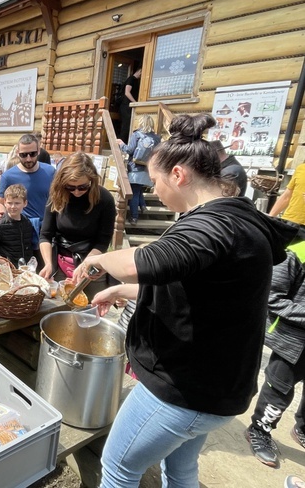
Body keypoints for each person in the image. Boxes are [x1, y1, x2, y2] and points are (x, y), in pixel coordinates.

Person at [71, 113, 298, 488]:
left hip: (185, 389)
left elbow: (145, 261)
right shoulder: (236, 216)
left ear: (178, 174)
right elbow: (195, 290)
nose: (155, 190)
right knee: (179, 470)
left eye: (156, 181)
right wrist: (121, 291)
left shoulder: (213, 226)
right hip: (218, 387)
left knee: (117, 467)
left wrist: (98, 261)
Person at [245, 247, 305, 469]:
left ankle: (301, 428)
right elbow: (272, 298)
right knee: (279, 389)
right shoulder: (297, 253)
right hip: (294, 341)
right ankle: (259, 430)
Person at [39, 152, 116, 281]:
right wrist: (48, 264)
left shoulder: (105, 199)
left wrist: (86, 265)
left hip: (92, 259)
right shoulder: (57, 196)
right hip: (60, 259)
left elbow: (103, 241)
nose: (76, 192)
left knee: (93, 300)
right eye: (70, 187)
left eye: (83, 187)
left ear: (92, 181)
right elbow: (45, 235)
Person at [0, 134, 56, 265]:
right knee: (20, 271)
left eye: (32, 154)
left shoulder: (50, 172)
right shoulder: (8, 176)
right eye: (23, 155)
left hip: (45, 231)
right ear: (17, 153)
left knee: (44, 271)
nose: (28, 158)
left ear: (39, 151)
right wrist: (3, 214)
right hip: (18, 233)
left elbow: (58, 200)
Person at [118, 114, 162, 224]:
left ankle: (134, 217)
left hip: (135, 168)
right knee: (138, 189)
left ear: (141, 123)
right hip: (147, 169)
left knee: (134, 192)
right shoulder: (156, 138)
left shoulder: (137, 134)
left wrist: (121, 144)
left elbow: (129, 150)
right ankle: (142, 206)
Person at [0, 184, 35, 268]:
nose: (13, 206)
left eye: (17, 203)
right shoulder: (0, 224)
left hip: (24, 267)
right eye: (10, 203)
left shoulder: (27, 222)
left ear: (25, 203)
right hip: (6, 268)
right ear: (5, 202)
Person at [119, 67, 142, 143]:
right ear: (140, 71)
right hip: (126, 106)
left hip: (129, 106)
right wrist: (135, 102)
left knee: (128, 125)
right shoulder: (131, 79)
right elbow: (127, 92)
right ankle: (121, 144)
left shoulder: (136, 81)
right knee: (126, 125)